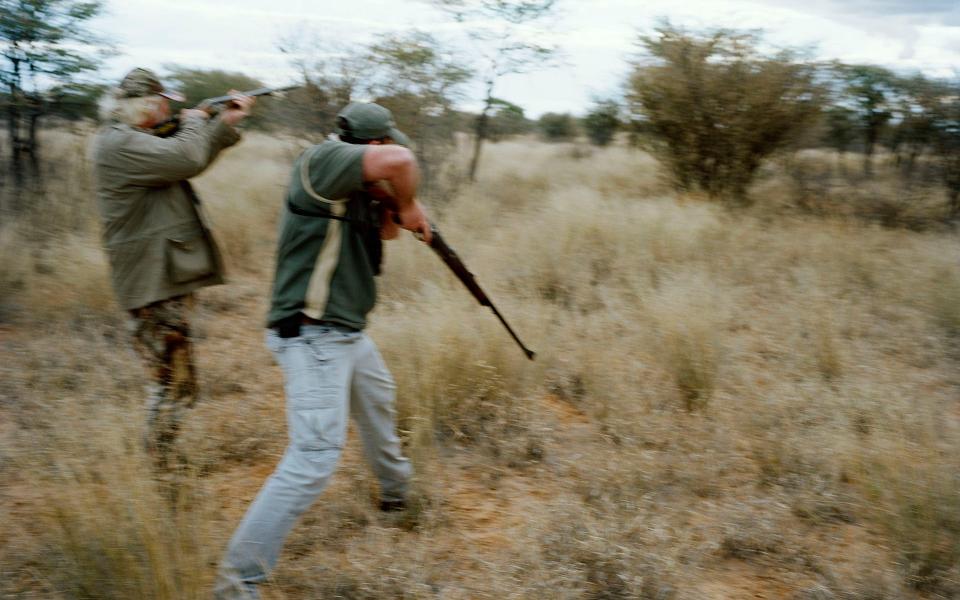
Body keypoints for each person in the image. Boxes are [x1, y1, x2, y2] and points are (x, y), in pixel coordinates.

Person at [214, 102, 432, 599]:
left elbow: (386, 233)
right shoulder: (323, 160)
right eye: (383, 145)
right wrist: (411, 202)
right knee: (313, 457)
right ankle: (236, 584)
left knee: (378, 401)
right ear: (371, 145)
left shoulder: (351, 186)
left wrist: (393, 208)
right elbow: (401, 164)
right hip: (314, 334)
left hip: (345, 331)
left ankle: (397, 495)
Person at [91, 67, 255, 472]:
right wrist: (198, 122)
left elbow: (183, 158)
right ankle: (161, 473)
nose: (168, 108)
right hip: (152, 281)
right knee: (175, 385)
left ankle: (163, 466)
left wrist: (224, 123)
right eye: (163, 102)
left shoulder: (134, 139)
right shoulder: (120, 144)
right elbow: (185, 157)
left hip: (160, 275)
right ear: (146, 106)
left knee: (176, 383)